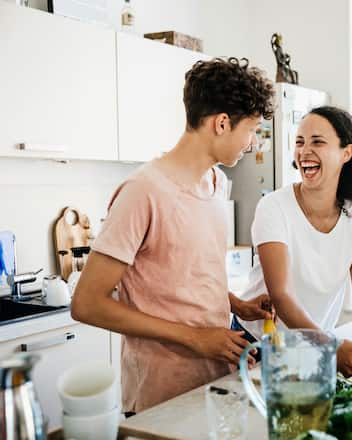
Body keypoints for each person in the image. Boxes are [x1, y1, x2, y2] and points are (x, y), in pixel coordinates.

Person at [71, 57, 275, 413]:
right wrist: (196, 338)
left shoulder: (217, 184)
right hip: (159, 394)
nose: (253, 142)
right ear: (222, 123)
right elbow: (86, 303)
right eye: (252, 129)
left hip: (216, 382)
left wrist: (235, 304)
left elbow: (180, 274)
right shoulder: (144, 191)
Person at [234, 106, 352, 376]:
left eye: (317, 141)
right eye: (299, 142)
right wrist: (329, 345)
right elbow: (281, 296)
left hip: (313, 345)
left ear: (346, 153)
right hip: (258, 345)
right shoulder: (274, 207)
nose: (305, 151)